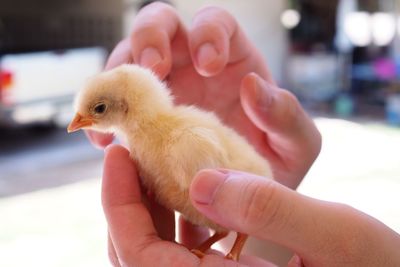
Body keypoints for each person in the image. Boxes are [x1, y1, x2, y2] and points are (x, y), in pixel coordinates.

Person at [88, 2, 400, 266]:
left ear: (127, 106)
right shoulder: (159, 142)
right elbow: (250, 211)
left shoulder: (182, 143)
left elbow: (240, 196)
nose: (85, 120)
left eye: (98, 109)